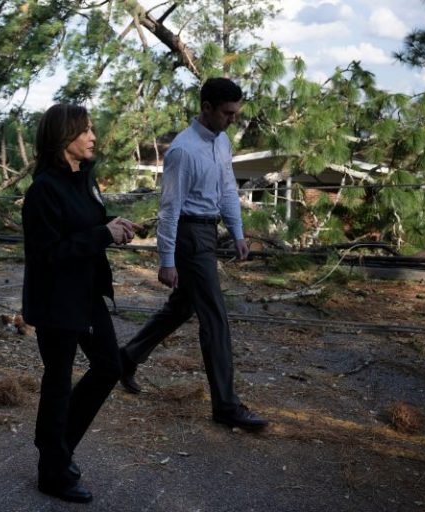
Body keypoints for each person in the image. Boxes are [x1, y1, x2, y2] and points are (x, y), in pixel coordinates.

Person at [118, 78, 268, 431]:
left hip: (208, 231)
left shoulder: (223, 141)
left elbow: (228, 188)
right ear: (207, 108)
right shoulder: (183, 150)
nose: (233, 119)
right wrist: (166, 260)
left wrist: (237, 232)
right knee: (215, 318)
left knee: (182, 306)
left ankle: (125, 358)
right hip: (188, 234)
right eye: (228, 113)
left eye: (236, 113)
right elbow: (168, 208)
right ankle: (227, 406)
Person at [21, 103, 140, 504]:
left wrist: (113, 226)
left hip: (87, 293)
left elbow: (89, 227)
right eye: (85, 131)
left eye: (92, 130)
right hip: (55, 299)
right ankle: (52, 470)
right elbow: (48, 254)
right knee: (58, 381)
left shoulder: (84, 178)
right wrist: (101, 234)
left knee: (109, 366)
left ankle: (54, 447)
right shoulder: (42, 191)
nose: (93, 137)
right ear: (62, 138)